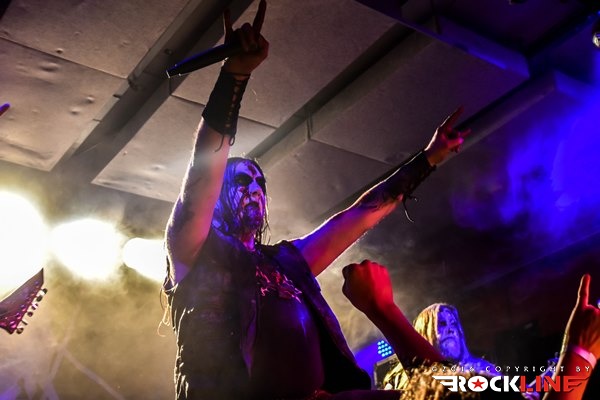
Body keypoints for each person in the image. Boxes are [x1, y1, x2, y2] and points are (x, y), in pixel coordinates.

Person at [161, 1, 467, 398]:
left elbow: (361, 213)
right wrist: (234, 76)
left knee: (439, 394)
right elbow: (203, 172)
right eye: (239, 181)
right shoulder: (195, 252)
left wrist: (429, 159)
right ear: (214, 199)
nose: (254, 189)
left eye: (259, 183)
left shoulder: (287, 262)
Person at [341, 260, 600, 400]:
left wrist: (547, 380)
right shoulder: (401, 383)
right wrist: (579, 353)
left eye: (454, 324)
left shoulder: (482, 370)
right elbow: (438, 383)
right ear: (424, 333)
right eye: (442, 324)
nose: (451, 330)